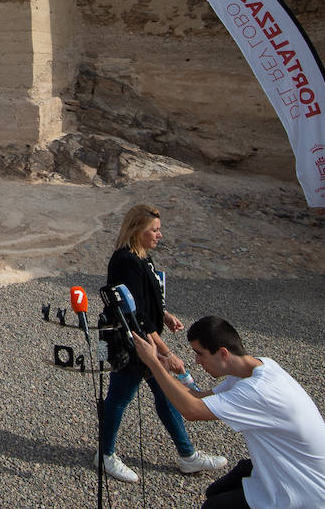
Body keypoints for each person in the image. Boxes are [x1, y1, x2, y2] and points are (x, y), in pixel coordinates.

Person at [131, 316, 325, 509]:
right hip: (285, 469)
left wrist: (151, 363)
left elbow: (191, 410)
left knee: (212, 507)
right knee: (214, 492)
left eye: (200, 354)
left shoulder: (257, 391)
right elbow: (198, 398)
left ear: (223, 353)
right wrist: (162, 367)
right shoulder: (258, 366)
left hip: (305, 495)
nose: (196, 361)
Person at [98, 204, 226, 483]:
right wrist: (167, 354)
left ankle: (187, 455)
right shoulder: (125, 262)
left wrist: (164, 315)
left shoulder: (142, 258)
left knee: (166, 395)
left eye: (159, 229)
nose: (159, 235)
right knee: (119, 398)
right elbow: (135, 314)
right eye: (154, 230)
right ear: (137, 230)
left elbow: (147, 302)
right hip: (134, 346)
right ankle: (105, 455)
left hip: (147, 342)